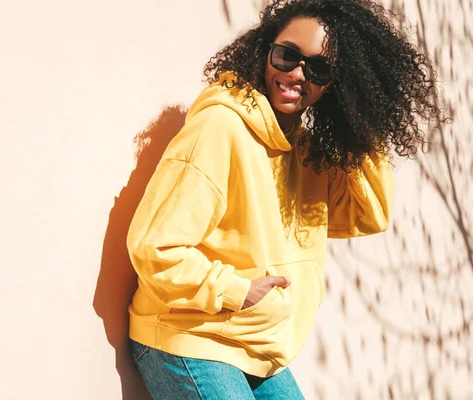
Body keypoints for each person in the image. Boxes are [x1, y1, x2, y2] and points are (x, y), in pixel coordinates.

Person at [126, 0, 444, 398]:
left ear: (337, 86)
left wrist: (359, 124)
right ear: (265, 50)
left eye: (319, 69)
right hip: (190, 335)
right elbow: (155, 246)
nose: (296, 73)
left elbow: (366, 215)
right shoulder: (220, 127)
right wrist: (236, 291)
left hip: (258, 347)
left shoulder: (306, 150)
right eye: (287, 55)